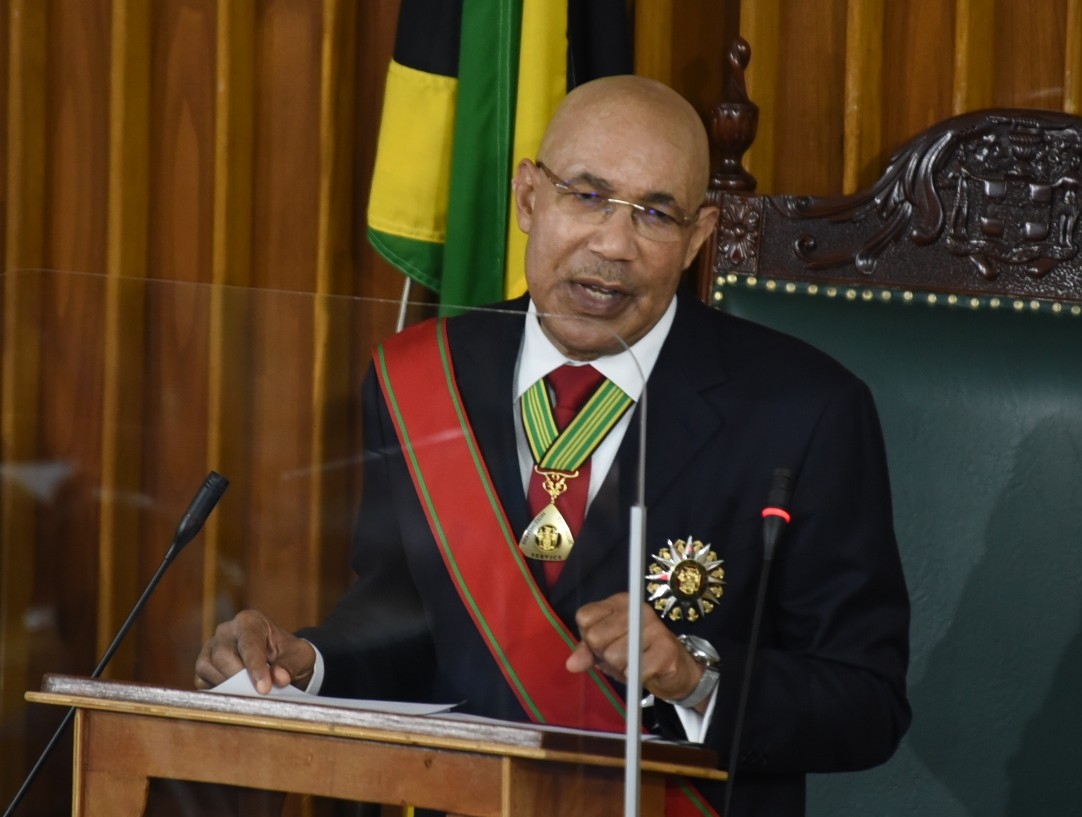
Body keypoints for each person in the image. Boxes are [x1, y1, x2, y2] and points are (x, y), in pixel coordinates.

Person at [195, 75, 910, 816]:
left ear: (698, 235)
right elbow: (406, 624)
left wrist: (692, 677)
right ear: (529, 198)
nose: (612, 244)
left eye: (655, 214)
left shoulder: (805, 409)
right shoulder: (419, 377)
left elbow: (866, 704)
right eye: (587, 196)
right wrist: (309, 663)